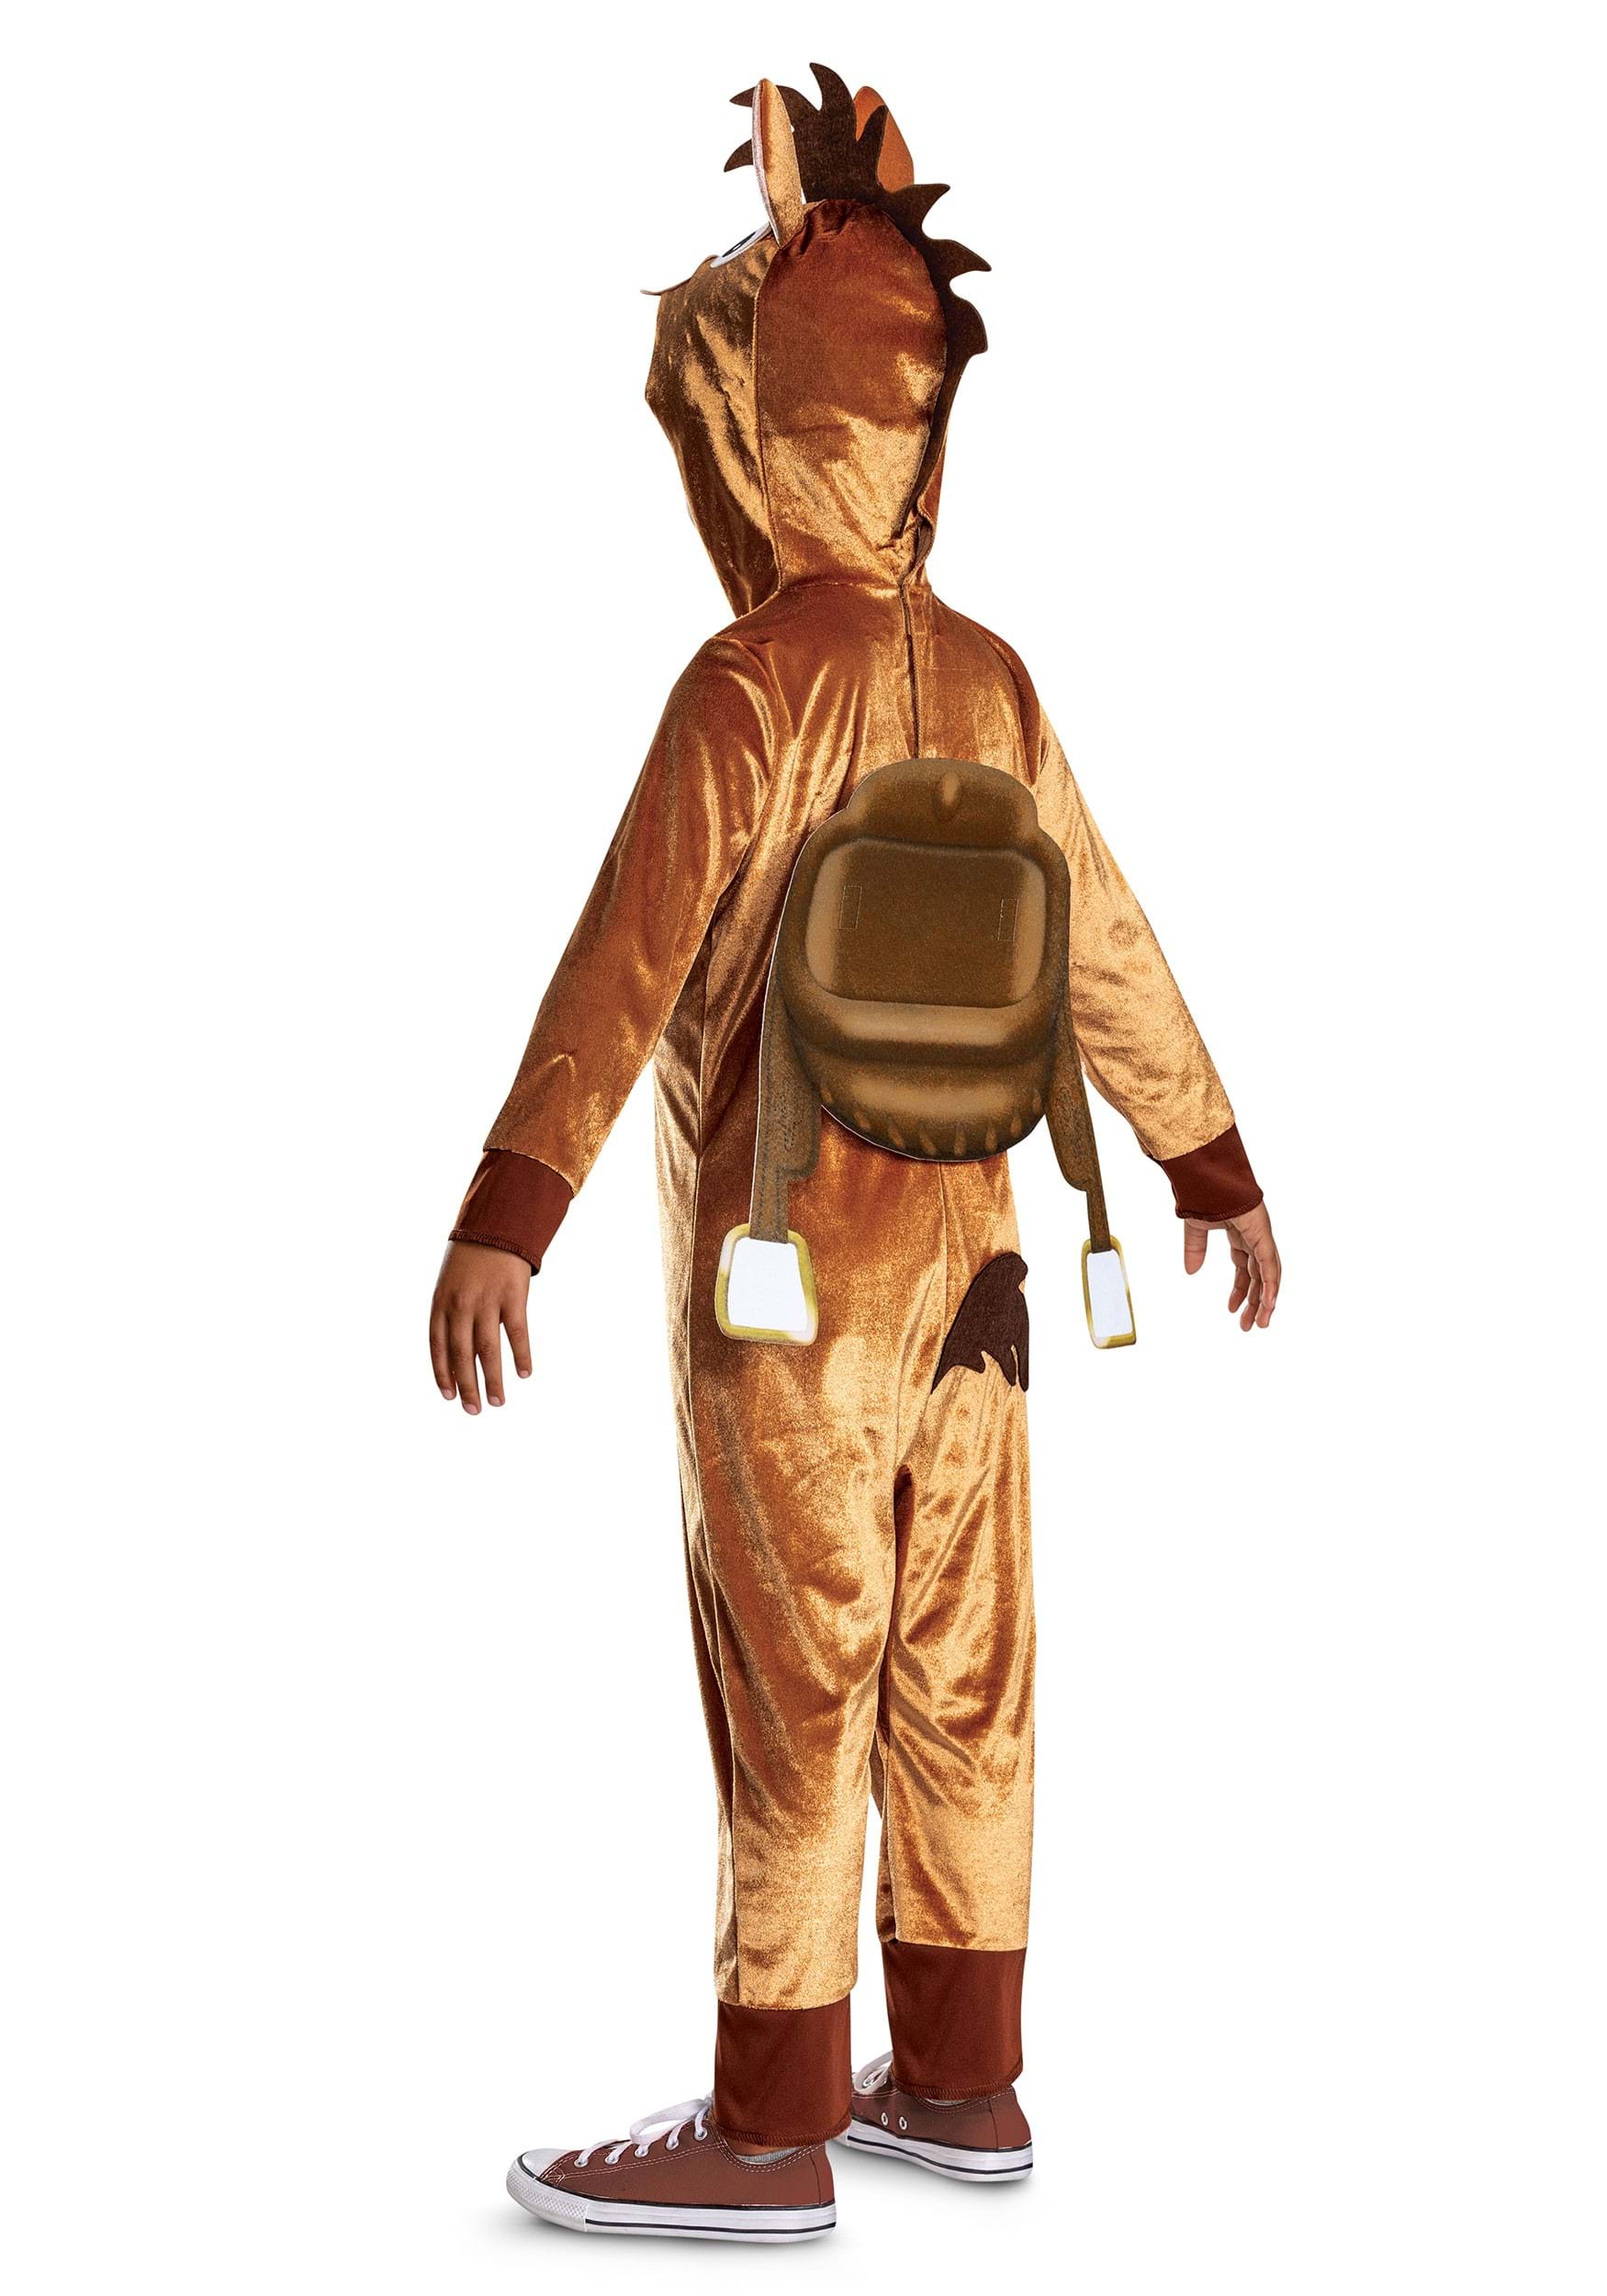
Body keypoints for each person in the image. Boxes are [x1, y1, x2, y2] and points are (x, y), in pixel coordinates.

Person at [430, 66, 1281, 2245]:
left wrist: (508, 1213)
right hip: (981, 1277)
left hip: (782, 1279)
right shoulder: (990, 680)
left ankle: (768, 2112)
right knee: (965, 1663)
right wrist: (1209, 1162)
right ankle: (966, 2078)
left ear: (761, 420)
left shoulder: (744, 683)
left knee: (792, 1669)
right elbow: (1104, 938)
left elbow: (620, 961)